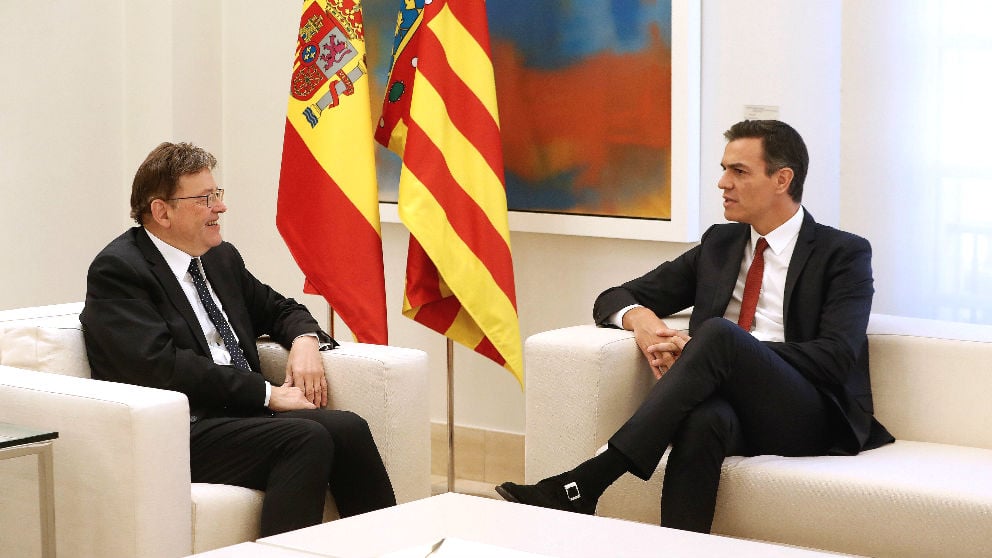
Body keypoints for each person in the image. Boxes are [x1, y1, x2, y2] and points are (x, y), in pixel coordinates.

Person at [496, 120, 894, 533]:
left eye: (738, 171)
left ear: (782, 179)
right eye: (724, 169)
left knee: (719, 335)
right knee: (705, 419)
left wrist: (731, 352)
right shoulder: (722, 245)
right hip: (732, 406)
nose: (723, 183)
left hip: (810, 413)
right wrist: (643, 321)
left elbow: (834, 358)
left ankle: (588, 480)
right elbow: (613, 297)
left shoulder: (842, 253)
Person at [80, 142, 395, 536]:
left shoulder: (219, 258)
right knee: (305, 437)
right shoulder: (119, 270)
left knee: (348, 428)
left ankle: (390, 547)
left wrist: (305, 342)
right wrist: (266, 393)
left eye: (218, 195)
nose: (220, 208)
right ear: (162, 211)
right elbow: (158, 366)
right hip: (183, 428)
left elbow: (281, 309)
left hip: (237, 417)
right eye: (204, 198)